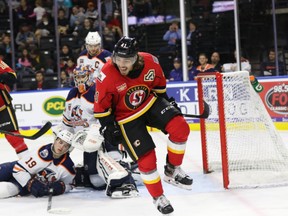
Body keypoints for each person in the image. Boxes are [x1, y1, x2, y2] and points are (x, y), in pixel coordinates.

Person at [94, 36, 193, 214]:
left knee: (180, 127)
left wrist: (168, 103)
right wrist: (108, 127)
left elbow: (159, 90)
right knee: (146, 160)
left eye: (127, 60)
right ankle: (158, 197)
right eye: (118, 59)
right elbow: (101, 109)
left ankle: (172, 170)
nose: (122, 64)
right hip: (126, 117)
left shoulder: (151, 61)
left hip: (149, 103)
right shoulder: (107, 74)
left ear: (136, 58)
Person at [53, 65, 139, 198]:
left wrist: (93, 132)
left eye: (82, 76)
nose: (79, 80)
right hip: (87, 144)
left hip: (104, 137)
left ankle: (127, 183)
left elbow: (107, 119)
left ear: (89, 76)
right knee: (96, 181)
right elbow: (68, 122)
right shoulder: (72, 94)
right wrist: (62, 135)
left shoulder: (96, 92)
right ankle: (128, 169)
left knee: (113, 158)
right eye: (77, 77)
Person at [0, 130, 76, 198]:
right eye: (60, 142)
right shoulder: (40, 151)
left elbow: (70, 184)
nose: (61, 147)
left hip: (21, 186)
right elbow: (18, 169)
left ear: (69, 149)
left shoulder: (68, 167)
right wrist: (31, 183)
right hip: (12, 169)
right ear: (55, 140)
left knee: (2, 191)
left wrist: (61, 187)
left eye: (66, 146)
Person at [0, 59, 29, 158]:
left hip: (2, 105)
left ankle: (26, 163)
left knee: (12, 135)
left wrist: (1, 76)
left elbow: (12, 77)